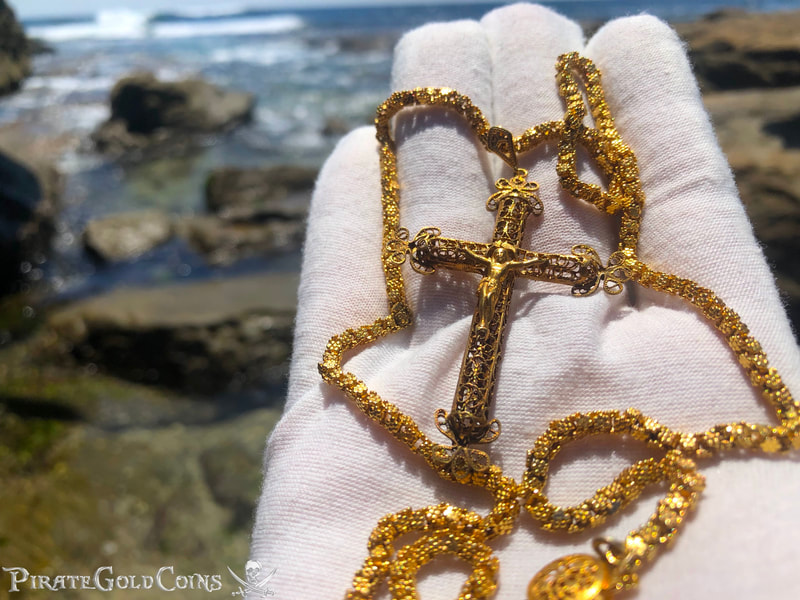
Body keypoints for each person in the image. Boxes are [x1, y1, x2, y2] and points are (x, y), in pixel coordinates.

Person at [249, 4, 800, 599]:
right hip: (483, 372)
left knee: (488, 309)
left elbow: (562, 268)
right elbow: (453, 255)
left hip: (487, 388)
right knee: (488, 304)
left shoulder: (526, 261)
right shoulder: (491, 258)